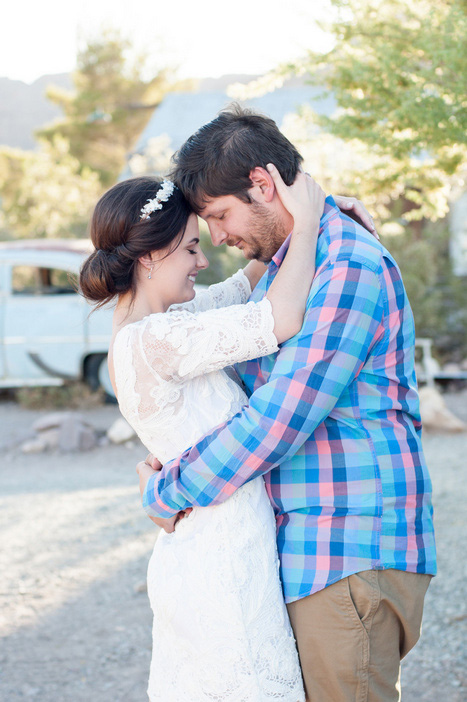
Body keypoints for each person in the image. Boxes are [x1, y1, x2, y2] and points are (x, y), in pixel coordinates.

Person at [138, 104, 437, 702]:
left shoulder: (348, 265)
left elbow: (281, 418)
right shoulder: (293, 265)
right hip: (309, 550)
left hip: (349, 549)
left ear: (263, 184)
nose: (217, 236)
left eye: (219, 215)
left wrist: (170, 489)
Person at [80, 168, 330, 700]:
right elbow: (280, 316)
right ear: (150, 256)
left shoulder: (165, 325)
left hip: (221, 543)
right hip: (223, 559)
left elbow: (252, 280)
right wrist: (306, 229)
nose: (203, 259)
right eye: (192, 247)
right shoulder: (155, 340)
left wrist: (319, 208)